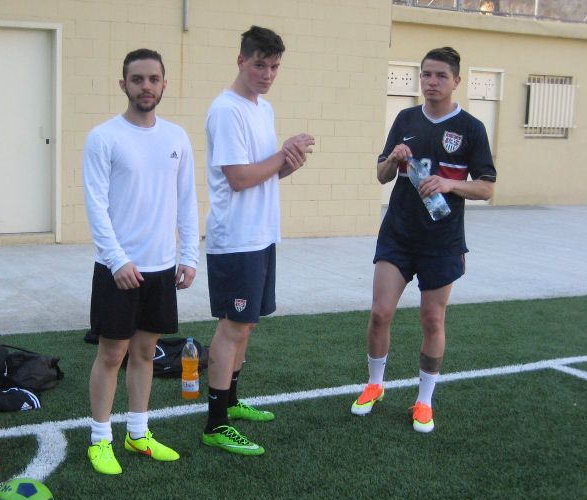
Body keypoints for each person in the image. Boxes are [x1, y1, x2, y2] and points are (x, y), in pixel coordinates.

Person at [350, 47, 496, 433]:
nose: (432, 82)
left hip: (442, 241)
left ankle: (424, 400)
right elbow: (382, 175)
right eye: (426, 74)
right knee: (380, 313)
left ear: (456, 81)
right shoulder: (405, 119)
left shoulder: (471, 128)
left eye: (441, 75)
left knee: (433, 319)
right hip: (398, 235)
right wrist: (392, 160)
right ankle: (375, 384)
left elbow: (487, 188)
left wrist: (450, 184)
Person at [82, 49, 199, 474]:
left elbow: (186, 200)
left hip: (161, 267)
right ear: (124, 85)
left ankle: (138, 433)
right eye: (137, 79)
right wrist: (117, 261)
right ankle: (100, 440)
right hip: (118, 269)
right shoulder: (104, 137)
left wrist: (188, 255)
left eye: (153, 79)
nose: (145, 86)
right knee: (112, 355)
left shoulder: (176, 138)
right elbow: (96, 206)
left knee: (146, 353)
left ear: (164, 84)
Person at [201, 26, 315, 455]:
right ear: (241, 61)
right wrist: (280, 155)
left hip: (261, 233)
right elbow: (238, 177)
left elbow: (262, 172)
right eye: (260, 65)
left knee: (246, 325)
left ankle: (231, 401)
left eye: (274, 67)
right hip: (236, 238)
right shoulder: (226, 110)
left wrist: (288, 163)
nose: (267, 74)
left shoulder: (262, 109)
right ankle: (216, 423)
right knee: (232, 326)